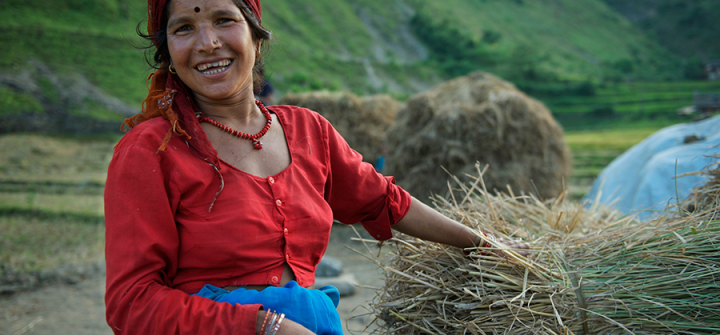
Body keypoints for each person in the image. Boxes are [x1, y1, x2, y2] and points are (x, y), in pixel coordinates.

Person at [103, 0, 530, 334]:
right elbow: (131, 304)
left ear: (256, 36)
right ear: (168, 52)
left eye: (224, 20)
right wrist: (262, 326)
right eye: (184, 28)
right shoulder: (151, 151)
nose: (207, 42)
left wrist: (485, 245)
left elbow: (384, 199)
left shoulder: (308, 130)